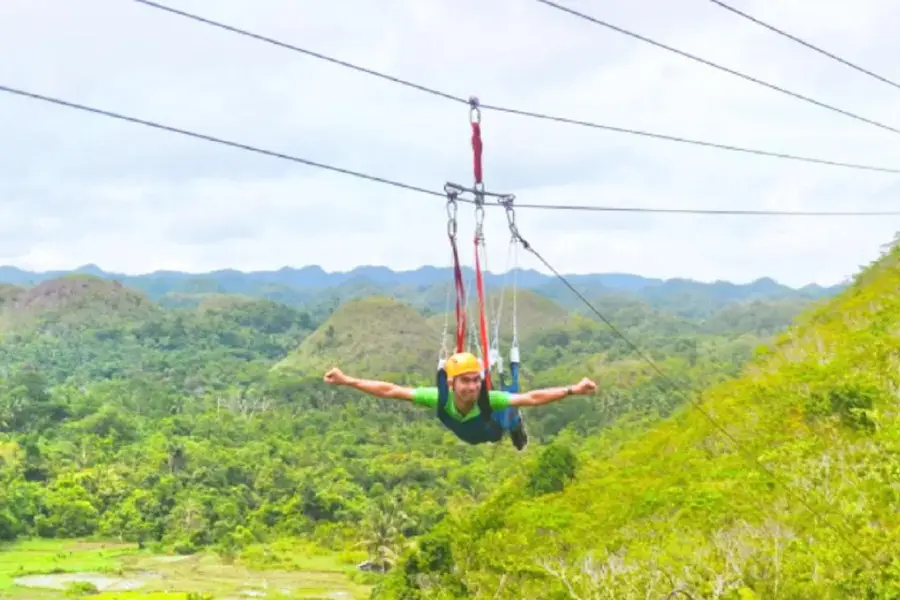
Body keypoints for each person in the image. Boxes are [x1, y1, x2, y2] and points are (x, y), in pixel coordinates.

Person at [323, 351, 597, 451]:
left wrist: (573, 389)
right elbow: (390, 390)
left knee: (512, 407)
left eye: (476, 380)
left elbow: (533, 397)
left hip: (490, 431)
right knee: (508, 405)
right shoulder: (438, 397)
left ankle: (515, 426)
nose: (472, 386)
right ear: (452, 383)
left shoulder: (489, 398)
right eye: (465, 381)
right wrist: (347, 380)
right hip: (465, 430)